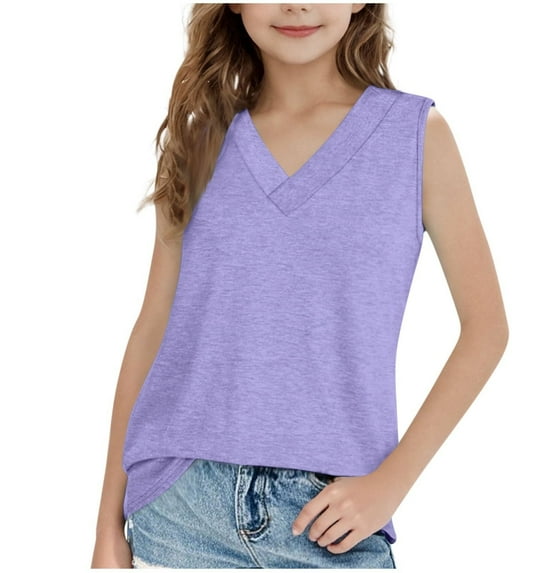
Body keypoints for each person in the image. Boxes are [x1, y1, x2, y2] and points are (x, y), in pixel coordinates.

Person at [91, 3, 509, 569]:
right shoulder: (200, 138)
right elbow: (154, 326)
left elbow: (486, 329)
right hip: (180, 509)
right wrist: (106, 525)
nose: (295, 4)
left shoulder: (415, 136)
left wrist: (390, 484)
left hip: (333, 518)